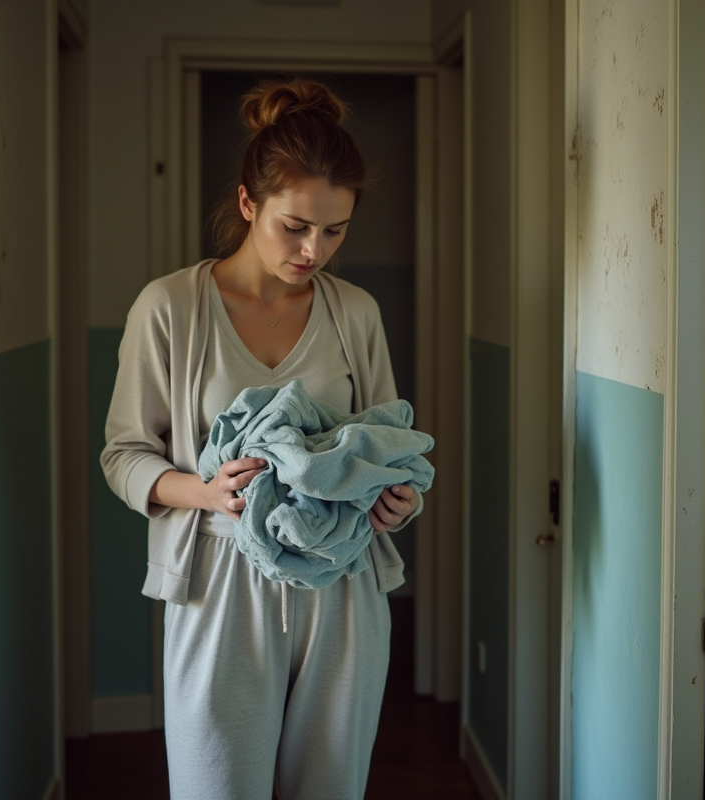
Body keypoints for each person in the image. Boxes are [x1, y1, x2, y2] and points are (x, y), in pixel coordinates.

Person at [100, 77, 423, 799]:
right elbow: (123, 456)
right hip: (219, 580)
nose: (315, 249)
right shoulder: (171, 310)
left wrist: (398, 502)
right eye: (296, 225)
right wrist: (205, 493)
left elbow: (387, 445)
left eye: (335, 230)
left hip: (343, 584)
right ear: (249, 203)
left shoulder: (356, 314)